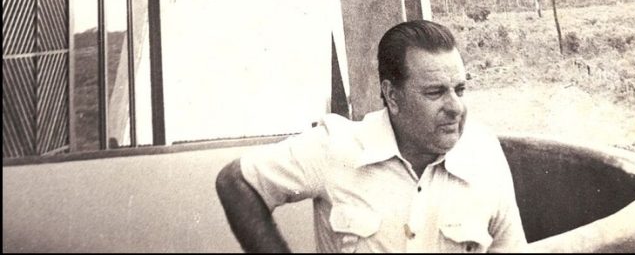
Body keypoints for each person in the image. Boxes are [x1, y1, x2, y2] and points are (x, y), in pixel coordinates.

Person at [216, 20, 528, 253]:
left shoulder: (484, 154)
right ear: (392, 96)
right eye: (435, 93)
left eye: (460, 90)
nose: (455, 107)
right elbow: (236, 181)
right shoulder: (336, 147)